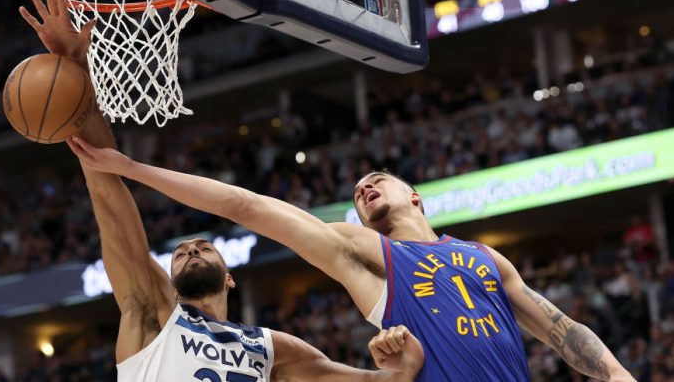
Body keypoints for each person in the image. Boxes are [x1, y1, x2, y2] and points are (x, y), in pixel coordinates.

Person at [20, 0, 424, 382]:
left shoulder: (273, 348)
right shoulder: (154, 314)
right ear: (173, 284)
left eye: (201, 247)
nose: (192, 248)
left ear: (230, 277)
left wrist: (403, 363)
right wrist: (77, 71)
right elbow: (107, 196)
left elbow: (370, 381)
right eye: (181, 253)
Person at [67, 148, 637, 379]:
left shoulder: (484, 256)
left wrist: (614, 373)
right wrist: (133, 169)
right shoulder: (368, 255)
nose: (366, 183)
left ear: (416, 195)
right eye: (360, 187)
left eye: (379, 178)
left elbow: (559, 328)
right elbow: (248, 205)